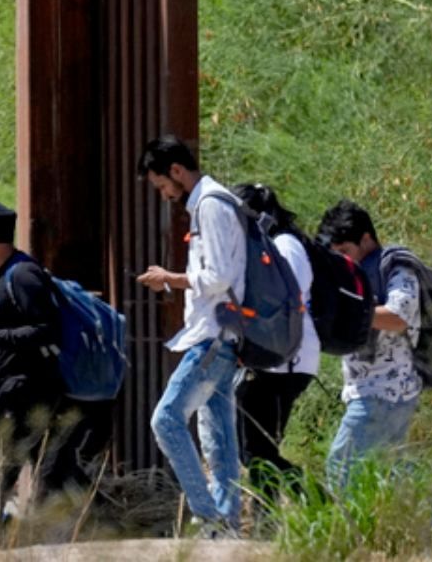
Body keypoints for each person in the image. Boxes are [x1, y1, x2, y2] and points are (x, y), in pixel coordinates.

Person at [134, 135, 246, 534]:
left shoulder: (211, 206)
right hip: (222, 335)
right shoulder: (212, 203)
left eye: (163, 186)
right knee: (219, 434)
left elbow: (217, 277)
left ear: (177, 172)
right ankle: (228, 522)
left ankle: (209, 517)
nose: (165, 195)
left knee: (165, 419)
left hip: (212, 337)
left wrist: (170, 279)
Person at [0, 201, 83, 509]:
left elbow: (48, 331)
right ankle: (103, 527)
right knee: (57, 475)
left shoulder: (24, 275)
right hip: (19, 390)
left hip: (27, 390)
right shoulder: (0, 275)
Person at [318, 199, 420, 488]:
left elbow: (399, 316)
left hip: (384, 394)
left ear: (366, 240)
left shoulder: (395, 266)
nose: (342, 260)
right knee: (389, 478)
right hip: (372, 393)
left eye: (346, 251)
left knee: (340, 467)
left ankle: (348, 533)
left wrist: (350, 312)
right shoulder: (350, 275)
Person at [230, 183, 319, 504]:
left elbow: (281, 299)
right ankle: (269, 520)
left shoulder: (284, 245)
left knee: (255, 448)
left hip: (283, 361)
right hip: (281, 359)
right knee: (259, 449)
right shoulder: (276, 245)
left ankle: (318, 500)